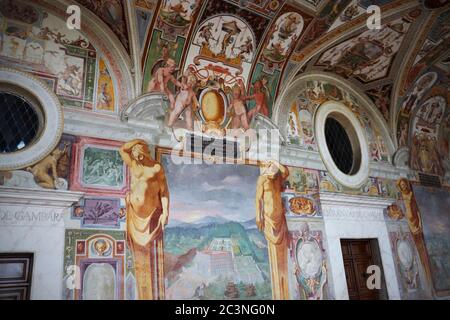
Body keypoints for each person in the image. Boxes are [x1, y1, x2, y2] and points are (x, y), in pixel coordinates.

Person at [119, 139, 169, 300]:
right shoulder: (133, 165)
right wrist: (138, 140)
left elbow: (164, 192)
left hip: (150, 215)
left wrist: (165, 211)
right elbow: (122, 150)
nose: (138, 158)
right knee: (137, 258)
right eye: (135, 155)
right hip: (133, 214)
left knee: (148, 258)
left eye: (140, 154)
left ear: (145, 153)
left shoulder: (155, 168)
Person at [255, 160, 290, 300]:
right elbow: (258, 199)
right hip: (269, 218)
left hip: (280, 218)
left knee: (283, 257)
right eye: (272, 166)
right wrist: (258, 216)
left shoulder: (278, 178)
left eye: (276, 166)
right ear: (267, 167)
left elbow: (286, 172)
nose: (275, 168)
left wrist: (276, 162)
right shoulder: (262, 179)